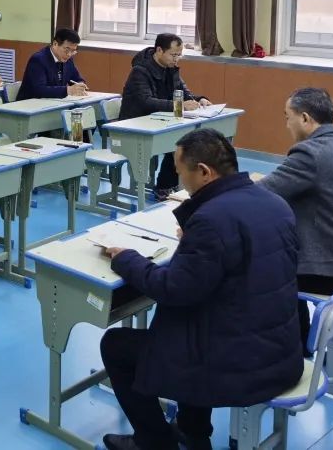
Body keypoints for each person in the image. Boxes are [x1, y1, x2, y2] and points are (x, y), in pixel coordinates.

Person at [99, 130, 302, 450]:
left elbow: (172, 290)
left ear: (205, 172)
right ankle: (193, 429)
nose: (180, 182)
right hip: (280, 350)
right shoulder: (275, 202)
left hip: (241, 363)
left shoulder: (211, 220)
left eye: (181, 173)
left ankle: (154, 441)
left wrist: (127, 259)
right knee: (198, 325)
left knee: (116, 345)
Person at [260, 87, 333, 345]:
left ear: (305, 118)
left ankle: (296, 347)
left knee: (267, 270)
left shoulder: (310, 153)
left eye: (287, 116)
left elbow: (262, 193)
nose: (286, 124)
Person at [120, 33, 210, 201]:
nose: (176, 59)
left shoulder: (171, 69)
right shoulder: (140, 71)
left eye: (179, 55)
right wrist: (180, 106)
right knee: (178, 142)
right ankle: (164, 187)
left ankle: (168, 185)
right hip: (136, 125)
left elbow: (183, 92)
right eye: (173, 55)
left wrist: (199, 99)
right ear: (159, 50)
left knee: (184, 140)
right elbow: (146, 102)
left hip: (158, 122)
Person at [17, 28, 88, 100]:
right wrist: (68, 90)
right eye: (66, 50)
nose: (69, 54)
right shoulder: (38, 60)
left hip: (53, 103)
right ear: (55, 44)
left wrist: (80, 85)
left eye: (73, 51)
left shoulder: (68, 59)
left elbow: (77, 79)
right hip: (30, 105)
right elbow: (39, 90)